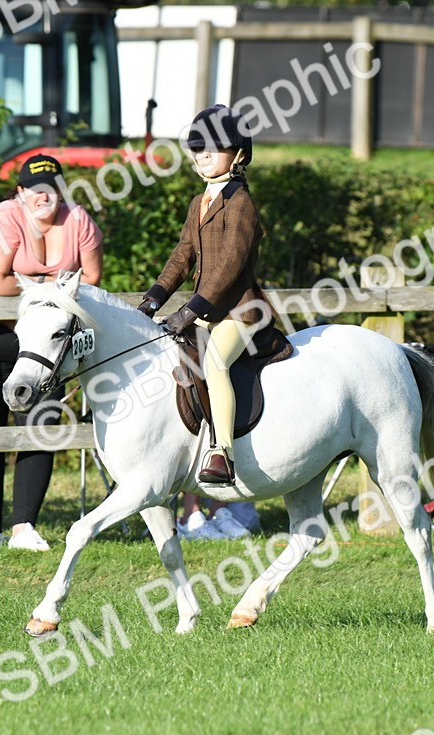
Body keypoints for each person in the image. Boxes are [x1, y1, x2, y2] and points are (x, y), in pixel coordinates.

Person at [0, 154, 103, 551]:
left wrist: (28, 282)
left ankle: (23, 526)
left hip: (47, 342)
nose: (44, 195)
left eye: (52, 187)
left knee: (42, 426)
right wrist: (50, 285)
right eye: (35, 188)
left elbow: (91, 278)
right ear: (21, 191)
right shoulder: (4, 217)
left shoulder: (79, 219)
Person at [137, 104, 268, 485]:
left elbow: (228, 265)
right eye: (197, 148)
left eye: (215, 148)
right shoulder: (200, 202)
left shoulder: (241, 203)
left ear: (240, 155)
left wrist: (189, 311)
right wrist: (154, 298)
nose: (204, 155)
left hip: (239, 312)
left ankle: (222, 452)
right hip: (207, 311)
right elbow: (182, 255)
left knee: (215, 365)